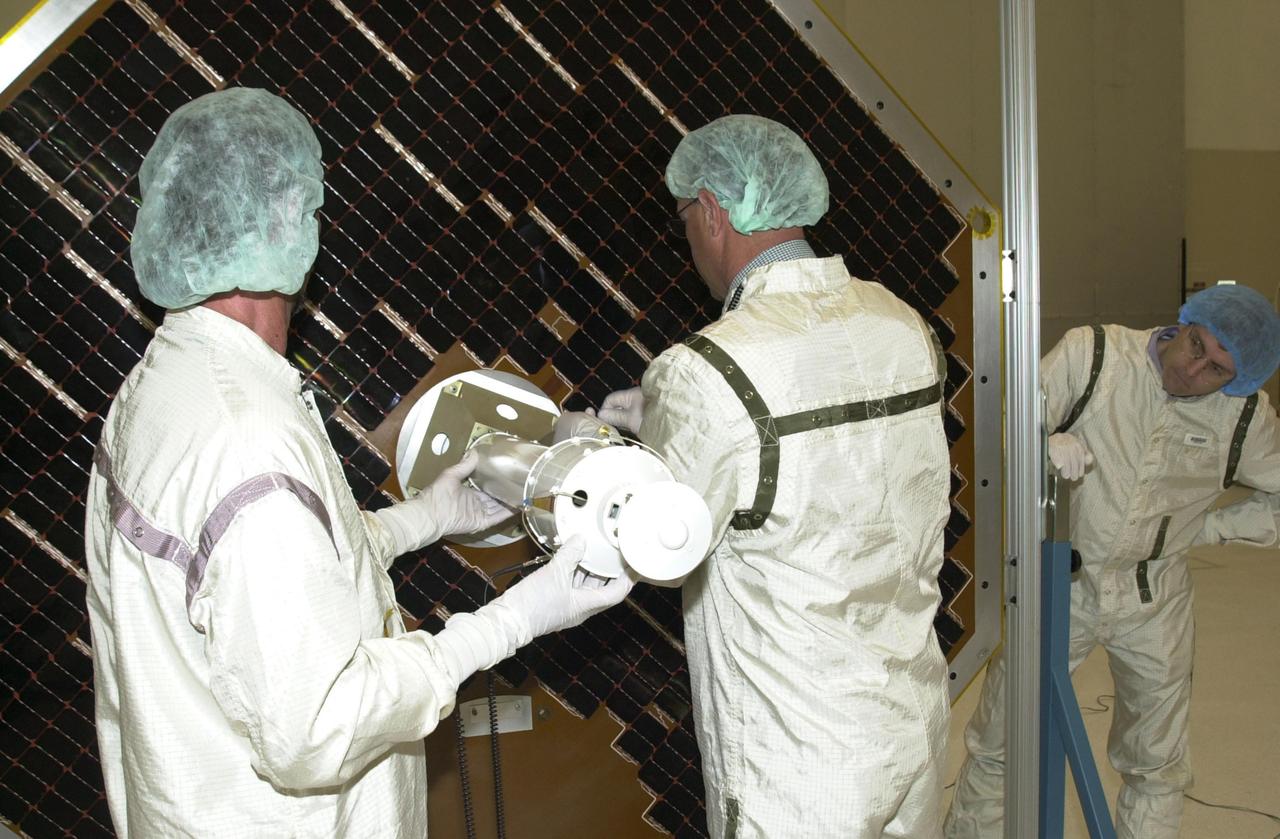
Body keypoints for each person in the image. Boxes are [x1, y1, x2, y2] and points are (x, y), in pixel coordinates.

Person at [84, 87, 633, 838]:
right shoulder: (247, 442)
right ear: (287, 225)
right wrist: (516, 618)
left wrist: (423, 518)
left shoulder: (161, 389)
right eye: (309, 207)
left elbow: (261, 582)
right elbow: (320, 727)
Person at [563, 114, 953, 837]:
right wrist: (671, 421)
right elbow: (840, 463)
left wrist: (581, 457)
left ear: (711, 211)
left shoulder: (707, 368)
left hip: (799, 767)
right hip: (913, 725)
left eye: (684, 218)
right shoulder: (901, 324)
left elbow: (653, 553)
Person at [945, 283, 1280, 839]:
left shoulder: (1242, 417)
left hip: (1154, 600)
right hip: (1058, 584)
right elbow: (1002, 420)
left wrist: (1212, 527)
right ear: (1185, 323)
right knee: (1003, 740)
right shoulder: (1095, 354)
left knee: (1157, 764)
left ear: (1238, 381)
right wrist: (1038, 442)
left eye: (1218, 370)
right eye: (1197, 346)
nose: (1194, 371)